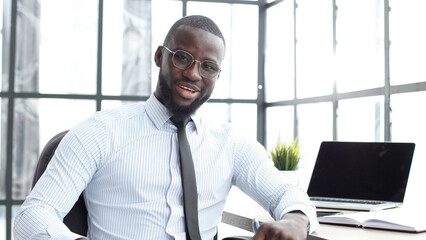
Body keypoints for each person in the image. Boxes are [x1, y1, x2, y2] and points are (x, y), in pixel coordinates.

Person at [14, 15, 318, 240]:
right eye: (182, 58)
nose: (193, 73)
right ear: (161, 56)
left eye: (208, 66)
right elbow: (32, 217)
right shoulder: (100, 131)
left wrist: (295, 220)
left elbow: (286, 194)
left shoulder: (232, 143)